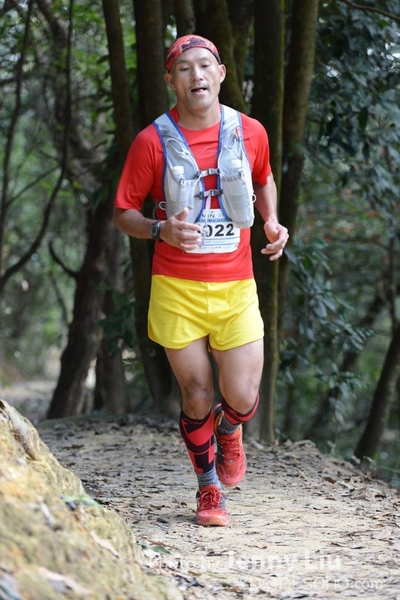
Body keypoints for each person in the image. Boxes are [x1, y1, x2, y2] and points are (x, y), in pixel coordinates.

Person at [113, 34, 288, 527]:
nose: (196, 75)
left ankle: (228, 430)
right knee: (196, 394)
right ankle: (209, 489)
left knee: (243, 397)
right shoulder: (151, 141)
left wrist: (271, 220)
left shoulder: (249, 131)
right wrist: (159, 229)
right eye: (185, 68)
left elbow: (263, 177)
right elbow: (123, 212)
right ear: (171, 79)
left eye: (205, 65)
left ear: (221, 74)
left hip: (237, 287)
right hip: (176, 288)